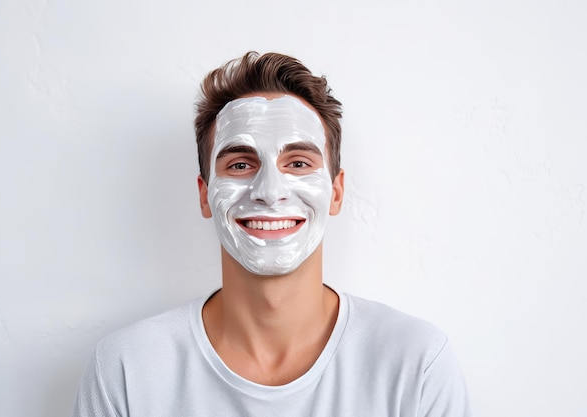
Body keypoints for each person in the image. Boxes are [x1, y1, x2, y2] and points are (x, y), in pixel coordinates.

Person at [71, 51, 472, 416]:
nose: (268, 192)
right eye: (240, 165)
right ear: (206, 194)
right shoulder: (128, 369)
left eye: (298, 163)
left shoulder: (416, 363)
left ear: (335, 192)